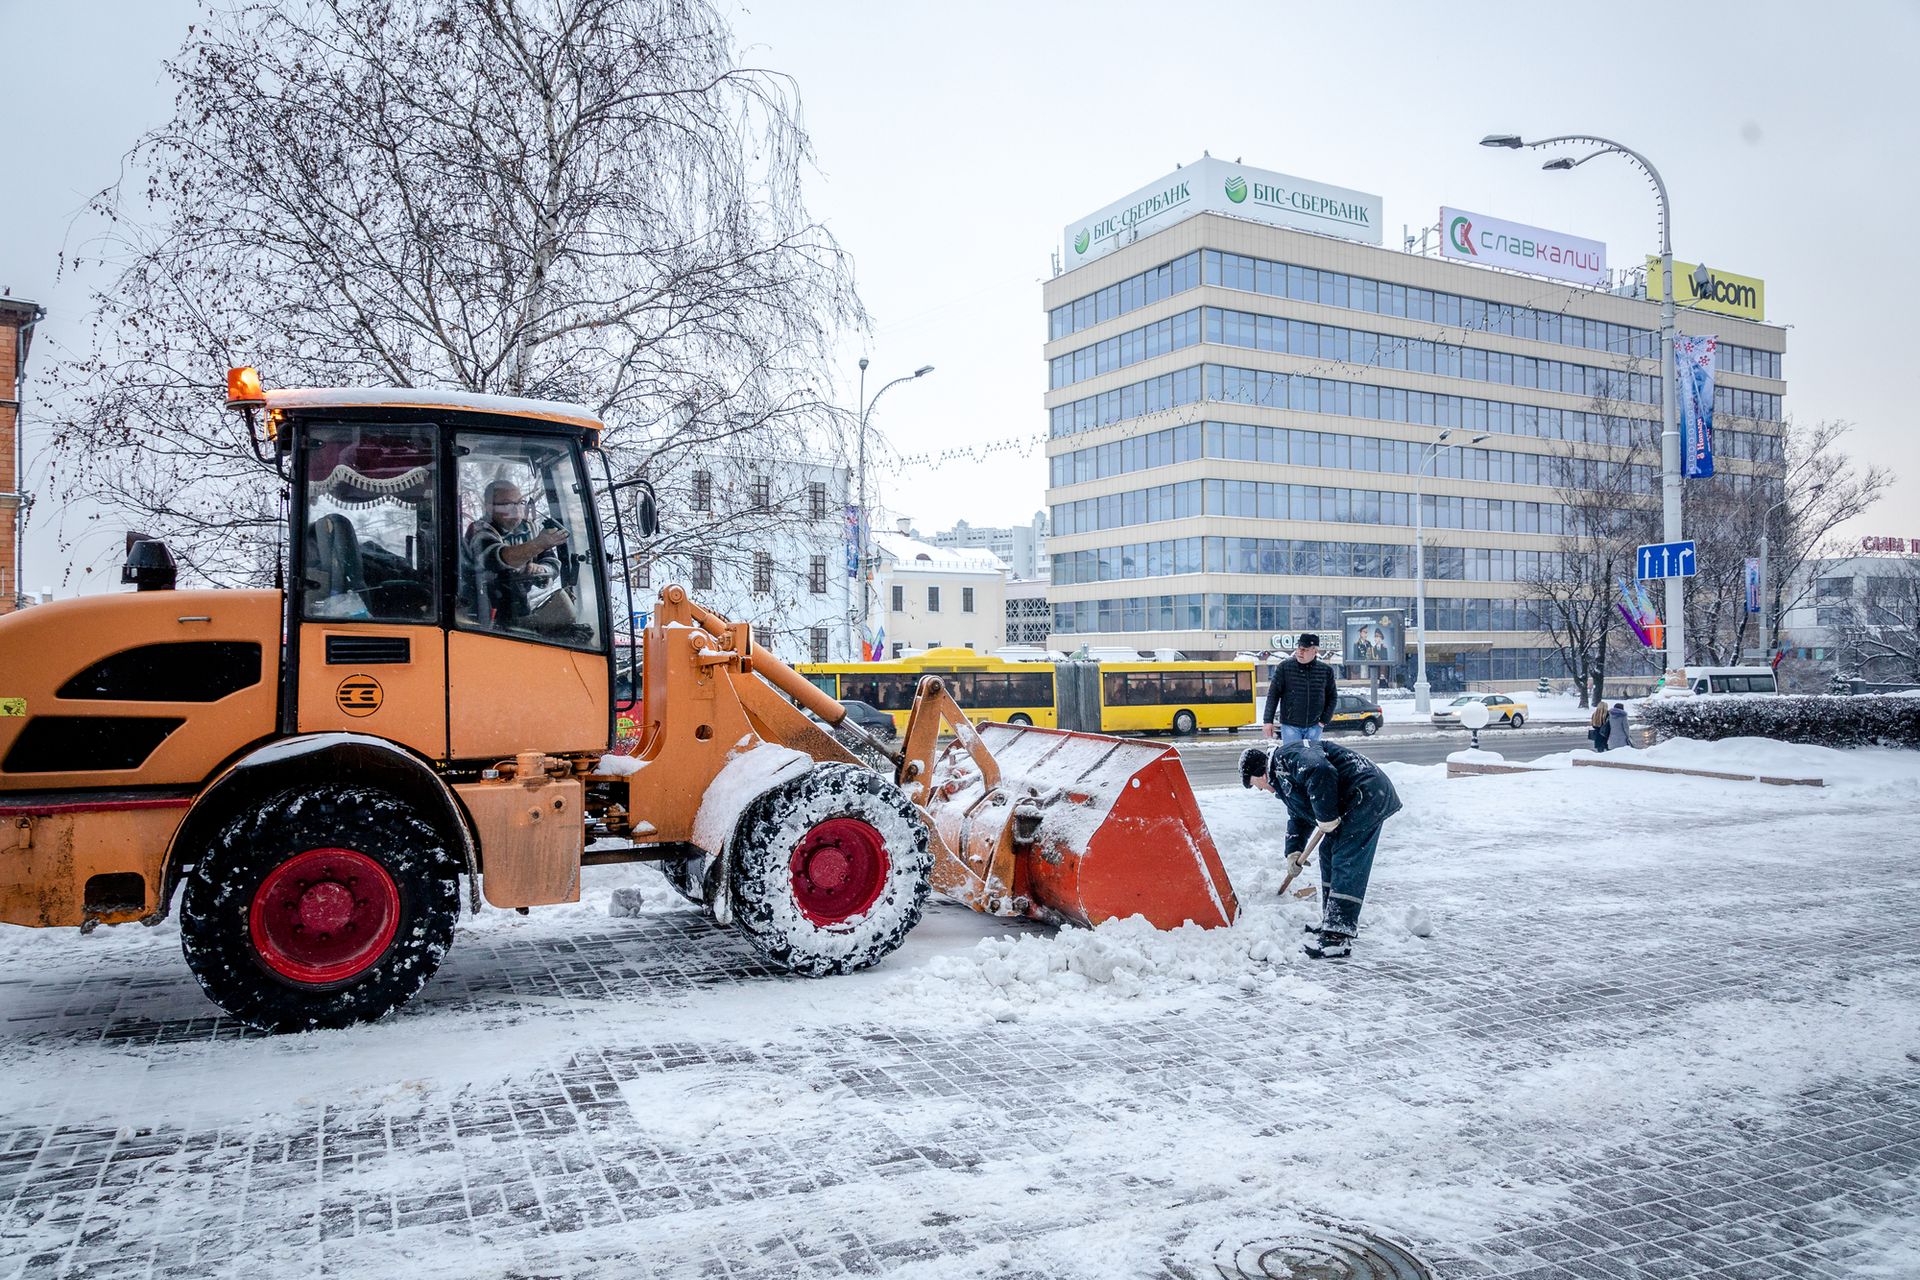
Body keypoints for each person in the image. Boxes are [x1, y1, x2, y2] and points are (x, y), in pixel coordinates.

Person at [1241, 740, 1403, 960]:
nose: (1260, 789)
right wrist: (1294, 851)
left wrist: (1326, 816)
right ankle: (1331, 920)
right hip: (1351, 800)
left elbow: (1321, 770)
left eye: (1255, 784)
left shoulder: (1288, 758)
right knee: (1328, 851)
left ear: (1260, 773)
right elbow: (1299, 814)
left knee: (1347, 858)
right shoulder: (1282, 777)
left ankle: (1338, 936)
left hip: (1366, 793)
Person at [465, 479, 573, 632]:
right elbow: (499, 558)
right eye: (508, 504)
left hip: (524, 609)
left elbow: (552, 562)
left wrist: (541, 570)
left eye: (520, 503)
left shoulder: (530, 528)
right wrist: (538, 544)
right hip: (485, 616)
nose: (517, 510)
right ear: (489, 507)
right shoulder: (479, 531)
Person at [1262, 633, 1337, 745]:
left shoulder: (1326, 671)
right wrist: (1268, 721)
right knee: (1293, 759)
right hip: (1290, 725)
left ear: (1315, 651)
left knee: (1312, 759)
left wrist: (1323, 720)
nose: (1300, 652)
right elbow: (1273, 695)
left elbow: (1332, 697)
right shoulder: (1284, 668)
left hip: (1315, 726)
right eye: (1299, 648)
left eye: (1305, 649)